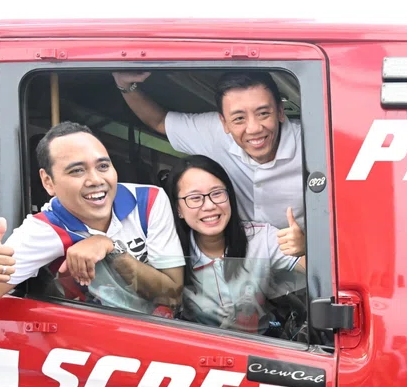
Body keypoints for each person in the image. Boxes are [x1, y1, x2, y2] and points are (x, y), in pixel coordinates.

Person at [0, 121, 185, 319]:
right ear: (48, 182)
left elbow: (172, 294)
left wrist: (108, 248)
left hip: (165, 330)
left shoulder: (149, 200)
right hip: (98, 342)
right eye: (77, 171)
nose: (95, 180)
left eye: (103, 166)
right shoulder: (43, 230)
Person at [112, 70, 305, 256]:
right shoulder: (214, 133)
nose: (253, 128)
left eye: (263, 113)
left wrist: (308, 243)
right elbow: (160, 121)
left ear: (280, 111)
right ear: (224, 122)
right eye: (239, 118)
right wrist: (125, 86)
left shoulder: (314, 146)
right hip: (243, 266)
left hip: (305, 271)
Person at [166, 154, 305, 335]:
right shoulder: (169, 250)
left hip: (264, 345)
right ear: (178, 209)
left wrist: (304, 248)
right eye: (195, 198)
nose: (209, 205)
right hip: (199, 347)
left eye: (217, 193)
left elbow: (321, 275)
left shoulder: (261, 238)